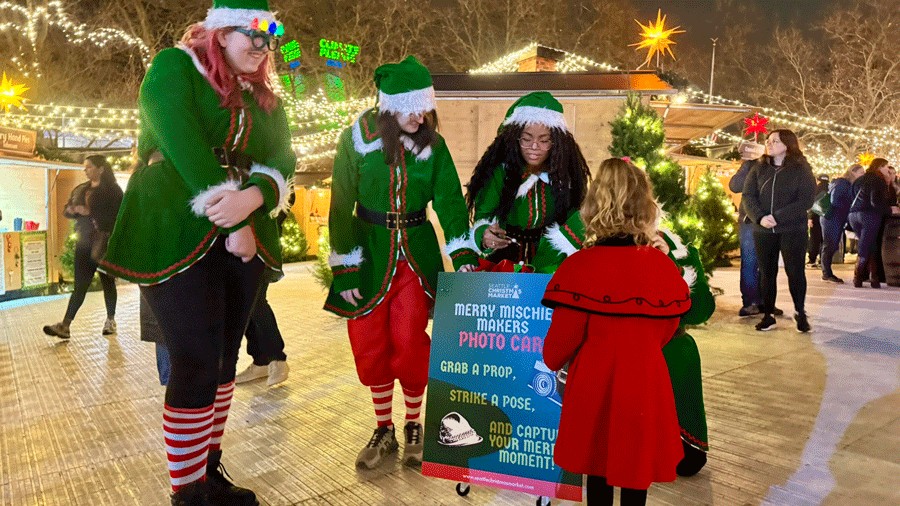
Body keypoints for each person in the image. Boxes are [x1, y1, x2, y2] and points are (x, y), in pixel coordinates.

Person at [97, 1, 296, 504]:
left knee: (225, 359)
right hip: (173, 224)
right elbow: (178, 138)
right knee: (195, 356)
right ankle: (187, 493)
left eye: (267, 39)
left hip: (243, 229)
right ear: (217, 33)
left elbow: (282, 156)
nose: (260, 46)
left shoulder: (262, 97)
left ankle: (207, 474)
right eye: (249, 35)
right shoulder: (173, 66)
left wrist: (256, 196)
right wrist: (228, 212)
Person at [324, 56, 479, 470]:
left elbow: (447, 200)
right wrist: (346, 266)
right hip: (369, 252)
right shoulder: (355, 139)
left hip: (415, 253)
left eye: (424, 107)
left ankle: (413, 423)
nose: (419, 116)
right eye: (410, 107)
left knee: (410, 341)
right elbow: (341, 204)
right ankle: (383, 428)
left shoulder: (435, 145)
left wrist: (463, 253)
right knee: (370, 342)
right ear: (388, 106)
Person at [541, 158, 690, 506]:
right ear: (645, 206)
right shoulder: (662, 267)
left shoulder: (578, 267)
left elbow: (555, 351)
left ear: (593, 206)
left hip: (595, 386)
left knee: (598, 468)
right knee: (636, 471)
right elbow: (667, 331)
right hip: (647, 385)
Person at [466, 91, 590, 266]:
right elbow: (483, 216)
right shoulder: (501, 171)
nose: (534, 146)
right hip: (505, 256)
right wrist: (485, 236)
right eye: (526, 139)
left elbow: (575, 216)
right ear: (514, 139)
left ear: (557, 143)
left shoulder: (565, 176)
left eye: (544, 140)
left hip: (550, 257)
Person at [741, 129, 817, 333]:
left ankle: (800, 312)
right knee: (766, 272)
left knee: (795, 271)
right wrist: (760, 217)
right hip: (763, 229)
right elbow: (748, 196)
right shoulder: (758, 168)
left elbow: (806, 199)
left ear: (788, 144)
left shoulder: (801, 169)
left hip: (792, 229)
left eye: (775, 140)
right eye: (769, 140)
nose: (770, 143)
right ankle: (768, 315)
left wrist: (779, 217)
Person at [43, 155, 123, 340]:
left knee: (107, 282)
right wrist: (71, 211)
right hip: (84, 242)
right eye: (84, 167)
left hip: (104, 242)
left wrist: (91, 212)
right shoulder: (81, 189)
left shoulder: (113, 191)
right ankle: (65, 325)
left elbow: (119, 216)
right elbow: (67, 208)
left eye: (89, 167)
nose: (85, 170)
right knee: (80, 285)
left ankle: (110, 320)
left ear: (101, 168)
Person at [234, 196, 296, 388]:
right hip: (237, 240)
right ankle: (261, 360)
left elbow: (287, 194)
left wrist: (266, 224)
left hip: (260, 242)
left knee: (255, 300)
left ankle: (277, 358)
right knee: (246, 303)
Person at [848, 158, 894, 288]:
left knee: (869, 243)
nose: (887, 169)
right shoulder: (878, 180)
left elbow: (851, 197)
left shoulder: (859, 180)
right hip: (869, 215)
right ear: (879, 167)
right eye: (886, 167)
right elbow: (875, 202)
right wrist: (890, 210)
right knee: (865, 246)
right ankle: (858, 277)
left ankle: (874, 278)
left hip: (853, 215)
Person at [819, 164, 864, 283]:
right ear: (853, 172)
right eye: (861, 173)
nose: (863, 175)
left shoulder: (844, 183)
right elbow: (835, 200)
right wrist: (850, 206)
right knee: (830, 244)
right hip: (832, 217)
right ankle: (826, 273)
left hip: (834, 217)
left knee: (831, 245)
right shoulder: (843, 183)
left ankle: (826, 271)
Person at [807, 174, 829, 267]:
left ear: (818, 180)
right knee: (825, 239)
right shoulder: (830, 188)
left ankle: (812, 260)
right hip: (828, 218)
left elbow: (813, 204)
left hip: (816, 217)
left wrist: (810, 218)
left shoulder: (815, 189)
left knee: (814, 239)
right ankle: (823, 260)